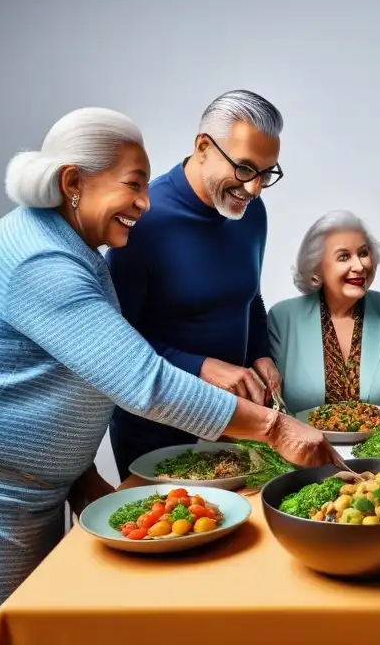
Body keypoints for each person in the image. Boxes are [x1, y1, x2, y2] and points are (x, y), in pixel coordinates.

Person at [0, 108, 340, 645]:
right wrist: (277, 429)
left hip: (36, 490)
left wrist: (82, 481)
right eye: (134, 185)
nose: (146, 202)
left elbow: (52, 378)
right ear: (74, 182)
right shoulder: (40, 261)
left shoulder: (72, 246)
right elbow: (145, 381)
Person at [106, 90, 287, 480]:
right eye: (244, 168)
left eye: (267, 173)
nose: (254, 188)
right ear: (203, 146)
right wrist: (203, 367)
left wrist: (260, 354)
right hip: (155, 427)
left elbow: (250, 296)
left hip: (233, 423)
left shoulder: (252, 212)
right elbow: (116, 343)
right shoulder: (141, 219)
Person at [268, 210, 380, 418]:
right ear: (317, 268)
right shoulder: (283, 318)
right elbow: (271, 405)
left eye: (364, 253)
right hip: (303, 447)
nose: (359, 266)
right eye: (344, 256)